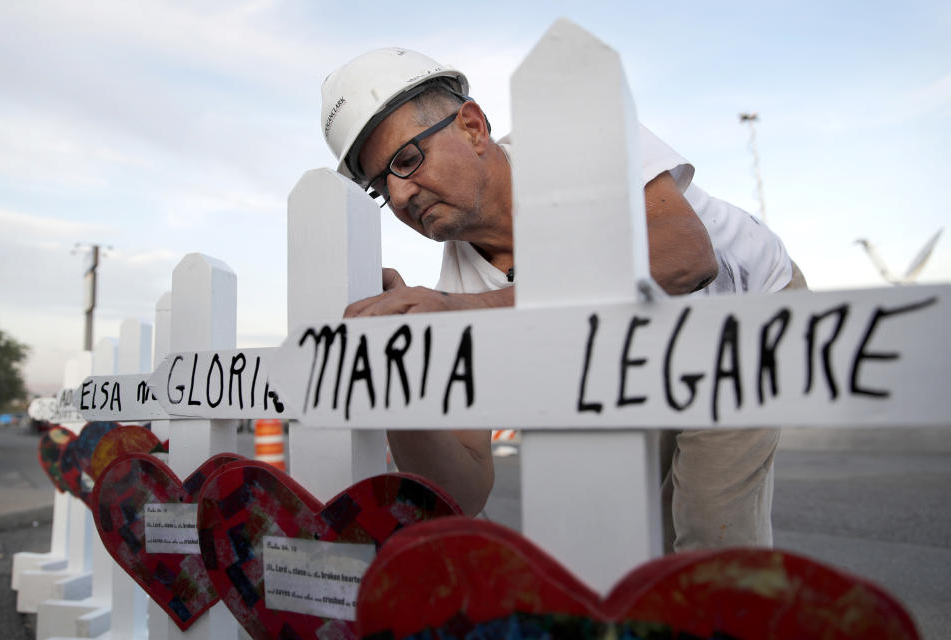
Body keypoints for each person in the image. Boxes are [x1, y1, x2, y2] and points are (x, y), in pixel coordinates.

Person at [320, 47, 806, 551]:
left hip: (735, 312)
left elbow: (685, 258)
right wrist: (403, 377)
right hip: (638, 356)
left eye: (406, 159)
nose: (399, 197)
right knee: (628, 535)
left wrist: (467, 313)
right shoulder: (460, 285)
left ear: (471, 126)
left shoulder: (574, 141)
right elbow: (464, 489)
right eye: (380, 186)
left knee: (710, 529)